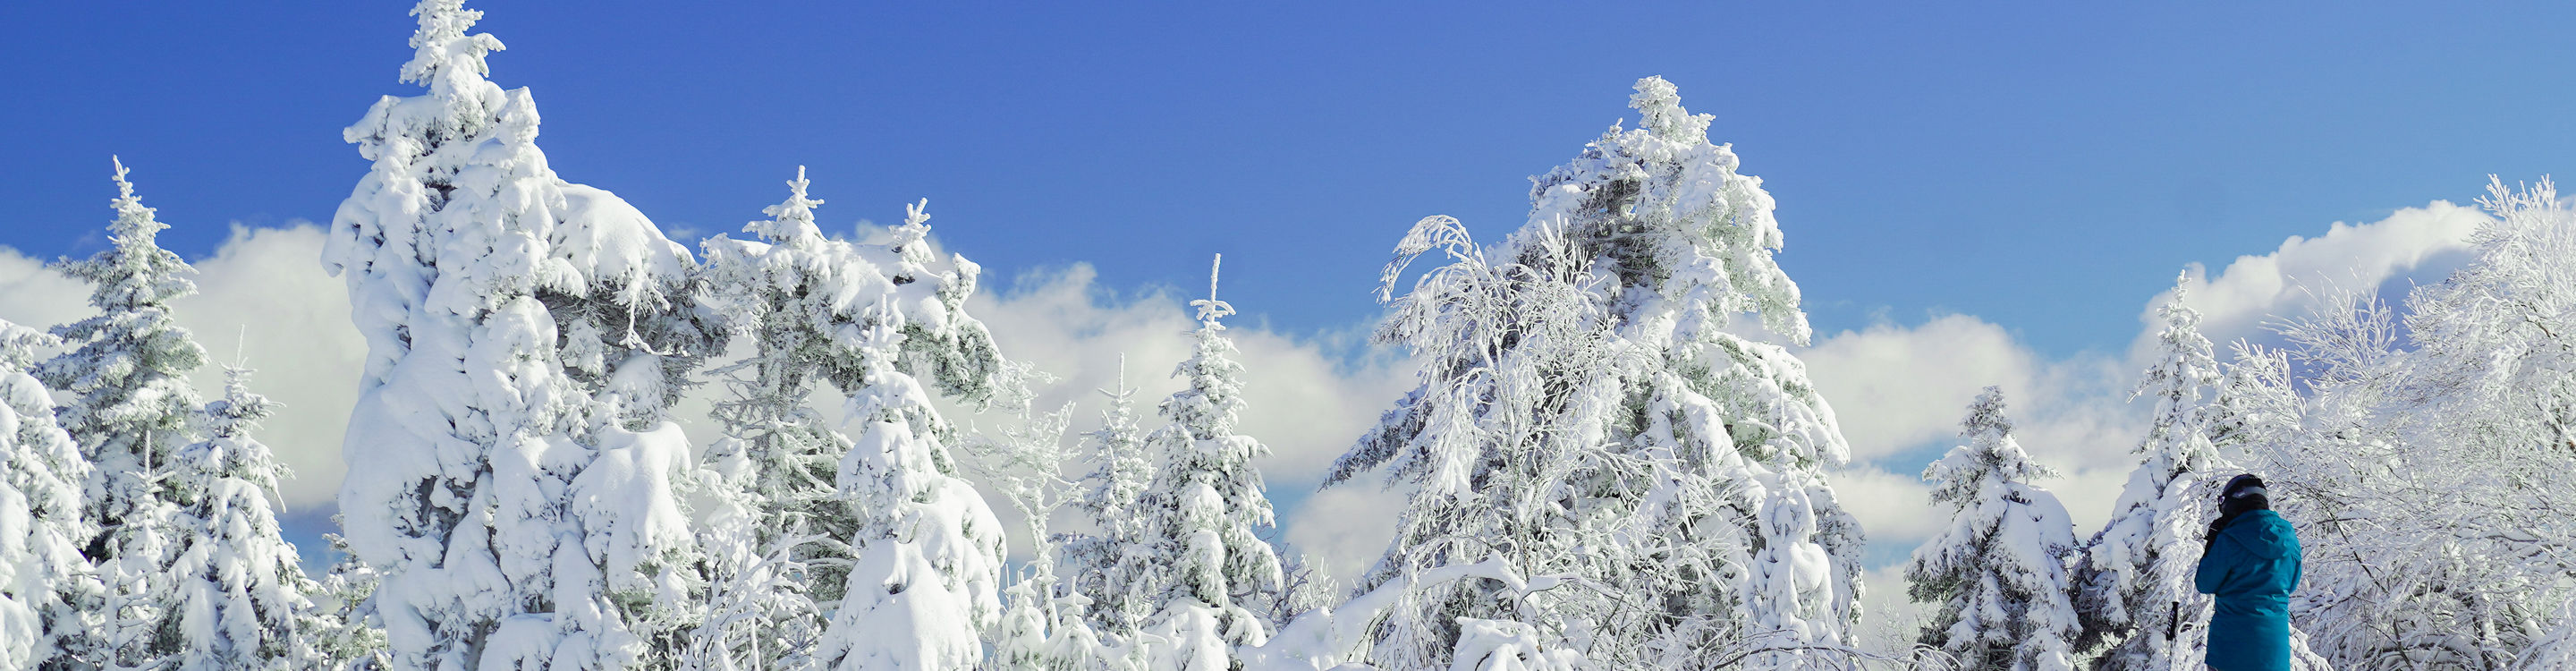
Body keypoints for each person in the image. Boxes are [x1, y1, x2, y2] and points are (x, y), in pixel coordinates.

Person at [2195, 473, 2302, 671]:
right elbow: (2292, 584)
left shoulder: (2229, 538)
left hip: (2231, 651)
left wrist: (2212, 543)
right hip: (2274, 654)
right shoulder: (2289, 537)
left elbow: (2205, 583)